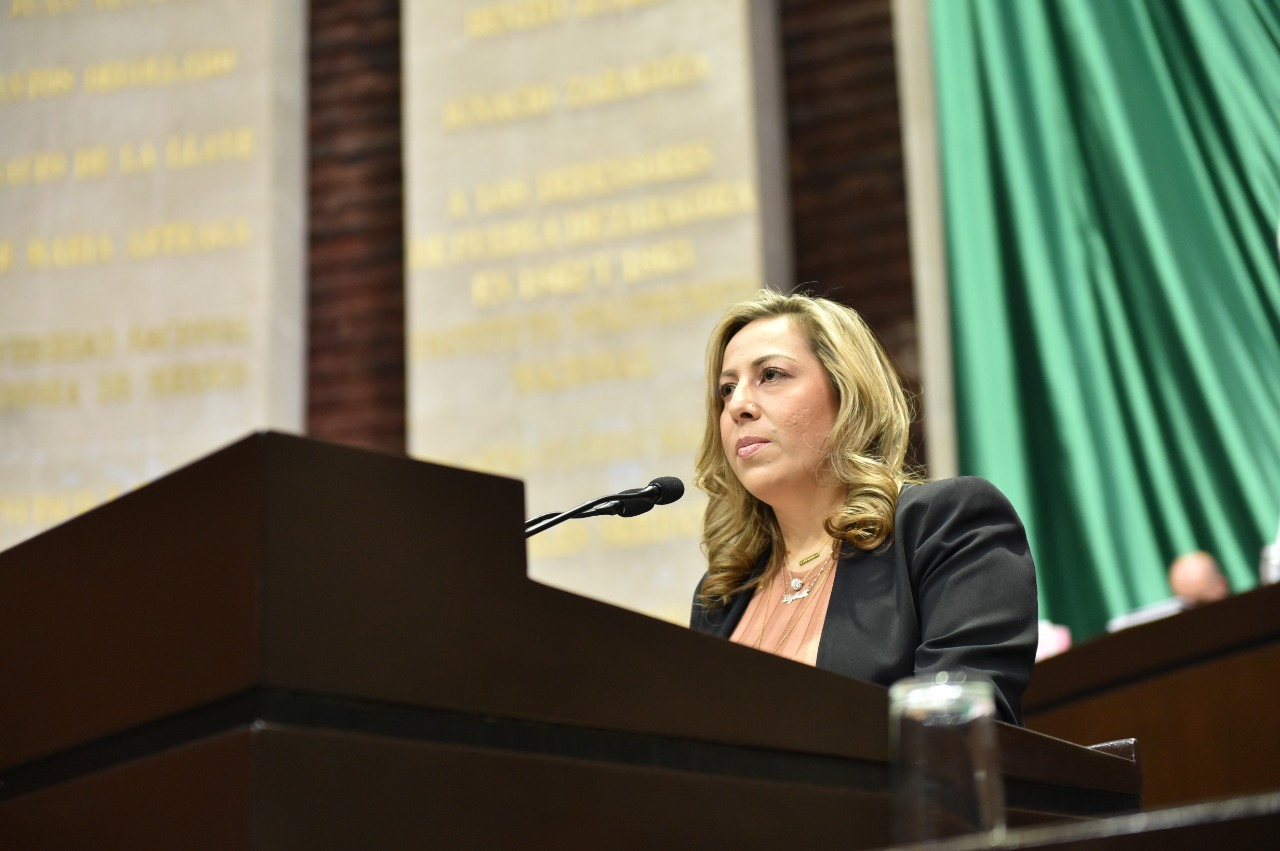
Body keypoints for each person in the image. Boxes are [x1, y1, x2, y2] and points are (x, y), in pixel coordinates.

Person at [689, 290, 1038, 724]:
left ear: (846, 394)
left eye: (771, 375)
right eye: (726, 389)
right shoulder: (721, 594)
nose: (738, 405)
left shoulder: (943, 525)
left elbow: (957, 731)